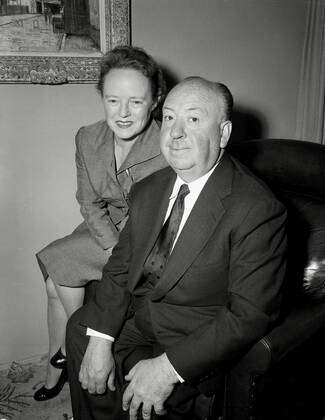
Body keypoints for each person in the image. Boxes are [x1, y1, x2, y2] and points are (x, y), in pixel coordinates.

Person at [66, 77, 287, 419]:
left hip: (194, 336)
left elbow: (249, 315)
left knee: (158, 395)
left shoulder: (256, 208)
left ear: (224, 133)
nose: (176, 132)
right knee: (82, 330)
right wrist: (101, 337)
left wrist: (167, 369)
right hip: (144, 315)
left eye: (193, 119)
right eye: (169, 117)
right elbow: (121, 266)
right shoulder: (149, 189)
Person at [33, 46, 168, 401]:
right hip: (103, 227)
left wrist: (118, 252)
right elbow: (88, 202)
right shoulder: (87, 136)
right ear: (102, 99)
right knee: (53, 284)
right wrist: (109, 246)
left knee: (55, 262)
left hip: (143, 236)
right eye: (112, 100)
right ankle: (60, 359)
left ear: (154, 101)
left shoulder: (169, 144)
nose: (122, 113)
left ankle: (67, 349)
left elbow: (160, 217)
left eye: (136, 102)